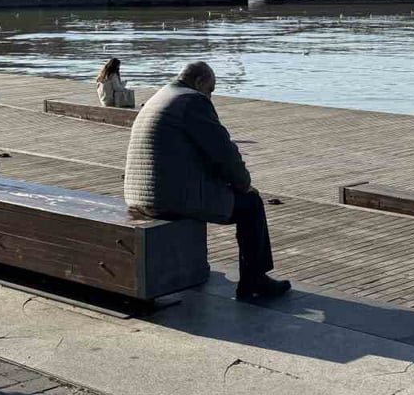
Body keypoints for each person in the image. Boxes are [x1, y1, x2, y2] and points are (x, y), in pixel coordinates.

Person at [124, 61, 290, 301]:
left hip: (139, 195)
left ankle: (245, 277)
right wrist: (243, 184)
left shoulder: (159, 97)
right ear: (199, 82)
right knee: (251, 204)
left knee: (229, 196)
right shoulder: (192, 101)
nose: (210, 96)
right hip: (168, 198)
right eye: (211, 89)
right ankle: (254, 281)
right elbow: (223, 153)